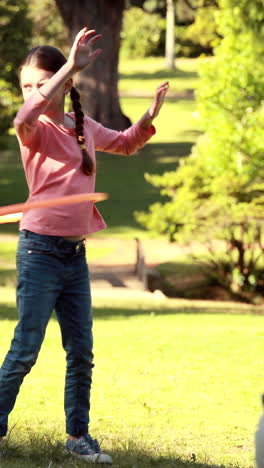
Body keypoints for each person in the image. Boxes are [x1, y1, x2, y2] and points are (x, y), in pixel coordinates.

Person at [0, 28, 169, 464]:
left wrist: (149, 116)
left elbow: (128, 144)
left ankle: (77, 437)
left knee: (82, 352)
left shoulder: (81, 127)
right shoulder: (33, 131)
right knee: (26, 348)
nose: (34, 93)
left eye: (43, 82)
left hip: (73, 257)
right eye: (28, 86)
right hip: (38, 250)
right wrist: (69, 68)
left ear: (65, 86)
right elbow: (23, 118)